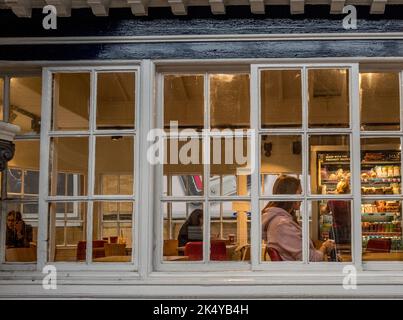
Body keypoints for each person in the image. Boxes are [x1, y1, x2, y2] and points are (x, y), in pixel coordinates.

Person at [262, 175, 335, 261]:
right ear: (290, 194)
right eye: (300, 193)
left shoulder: (281, 221)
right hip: (298, 273)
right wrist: (325, 246)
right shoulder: (282, 225)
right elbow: (312, 259)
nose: (301, 199)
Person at [324, 180, 351, 245]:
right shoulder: (350, 201)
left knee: (334, 249)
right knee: (348, 250)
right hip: (346, 229)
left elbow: (326, 211)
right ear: (347, 189)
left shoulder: (332, 200)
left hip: (335, 229)